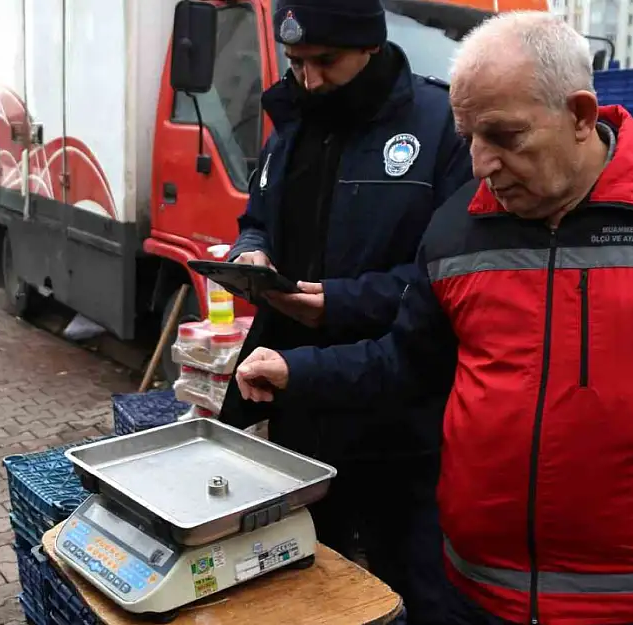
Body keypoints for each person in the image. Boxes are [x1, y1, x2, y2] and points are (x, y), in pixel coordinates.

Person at [234, 12, 633, 625]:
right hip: (476, 595)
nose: (481, 164)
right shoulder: (457, 228)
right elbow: (408, 363)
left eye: (504, 137)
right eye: (469, 138)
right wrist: (299, 370)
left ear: (581, 116)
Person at [218, 1, 474, 622]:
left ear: (370, 46)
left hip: (402, 415)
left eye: (324, 61)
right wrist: (250, 255)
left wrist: (341, 303)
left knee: (409, 585)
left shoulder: (442, 128)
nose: (308, 79)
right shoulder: (291, 127)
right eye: (296, 63)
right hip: (302, 397)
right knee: (313, 579)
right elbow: (256, 220)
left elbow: (453, 277)